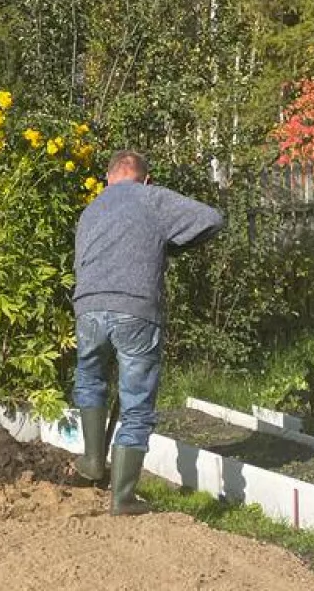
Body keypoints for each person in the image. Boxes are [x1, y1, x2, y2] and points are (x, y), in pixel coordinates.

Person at [71, 149, 224, 515]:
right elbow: (212, 219)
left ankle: (92, 461)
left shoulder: (91, 209)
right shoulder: (151, 198)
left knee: (90, 380)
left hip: (88, 308)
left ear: (108, 178)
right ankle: (123, 498)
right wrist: (172, 245)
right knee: (136, 402)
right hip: (135, 309)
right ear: (146, 179)